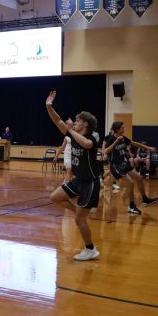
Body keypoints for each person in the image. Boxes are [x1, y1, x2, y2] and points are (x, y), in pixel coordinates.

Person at [45, 90, 103, 261]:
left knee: (79, 221)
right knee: (55, 197)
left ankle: (90, 249)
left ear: (85, 124)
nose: (74, 122)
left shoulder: (92, 137)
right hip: (78, 180)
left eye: (78, 121)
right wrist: (49, 106)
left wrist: (70, 131)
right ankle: (81, 212)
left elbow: (86, 144)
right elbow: (58, 121)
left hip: (90, 184)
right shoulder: (73, 135)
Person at [104, 121, 158, 215]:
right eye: (122, 127)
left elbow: (134, 143)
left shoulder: (123, 138)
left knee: (139, 178)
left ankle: (145, 199)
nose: (124, 129)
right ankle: (131, 206)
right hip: (116, 166)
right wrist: (115, 142)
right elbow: (106, 151)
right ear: (117, 129)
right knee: (130, 183)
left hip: (124, 164)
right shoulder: (111, 139)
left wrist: (148, 148)